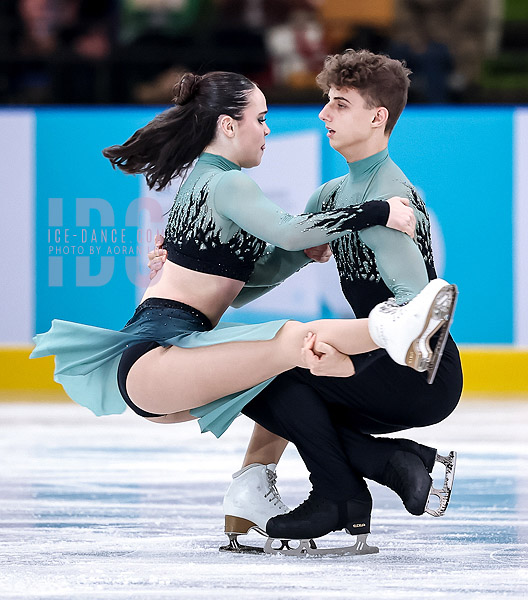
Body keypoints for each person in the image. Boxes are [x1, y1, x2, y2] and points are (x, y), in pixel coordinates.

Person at [30, 70, 456, 552]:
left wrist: (307, 247)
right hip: (161, 351)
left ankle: (260, 488)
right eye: (261, 118)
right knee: (291, 343)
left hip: (170, 350)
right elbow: (292, 233)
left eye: (338, 104)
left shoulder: (212, 181)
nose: (270, 128)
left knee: (275, 367)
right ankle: (391, 336)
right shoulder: (228, 183)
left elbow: (244, 283)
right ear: (229, 126)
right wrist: (372, 213)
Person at [213, 50, 463, 553]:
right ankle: (385, 465)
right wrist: (189, 270)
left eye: (340, 104)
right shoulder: (330, 197)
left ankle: (343, 490)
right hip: (378, 363)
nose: (324, 114)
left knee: (267, 374)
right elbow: (262, 278)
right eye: (327, 102)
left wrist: (348, 360)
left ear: (377, 118)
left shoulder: (393, 196)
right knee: (259, 369)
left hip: (417, 372)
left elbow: (420, 310)